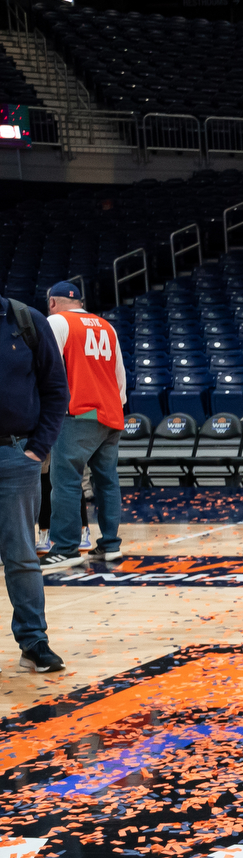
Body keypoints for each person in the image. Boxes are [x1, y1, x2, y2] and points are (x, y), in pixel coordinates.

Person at [1, 288, 66, 673]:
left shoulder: (25, 321)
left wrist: (37, 449)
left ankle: (34, 641)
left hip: (14, 455)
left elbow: (57, 390)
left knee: (22, 556)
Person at [40, 281, 123, 571]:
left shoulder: (56, 321)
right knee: (107, 481)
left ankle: (65, 548)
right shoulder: (106, 326)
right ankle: (111, 545)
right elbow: (119, 375)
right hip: (111, 412)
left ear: (52, 302)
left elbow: (45, 366)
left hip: (79, 414)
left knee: (65, 481)